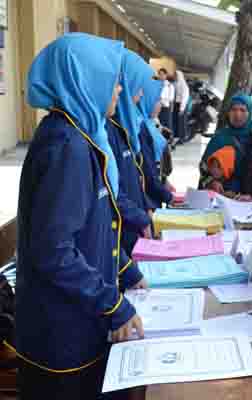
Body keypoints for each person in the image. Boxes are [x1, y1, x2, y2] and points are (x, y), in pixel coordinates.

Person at [15, 33, 145, 400]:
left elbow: (93, 226)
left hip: (75, 321)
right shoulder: (67, 146)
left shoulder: (80, 135)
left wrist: (125, 269)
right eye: (111, 78)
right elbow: (53, 251)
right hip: (61, 340)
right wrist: (113, 304)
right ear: (85, 79)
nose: (119, 89)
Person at [108, 49, 155, 254]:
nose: (142, 93)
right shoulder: (106, 131)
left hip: (133, 226)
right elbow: (114, 190)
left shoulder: (124, 125)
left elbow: (134, 176)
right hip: (124, 232)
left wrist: (145, 207)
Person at [198, 93, 252, 195]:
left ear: (250, 112)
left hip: (251, 194)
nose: (237, 114)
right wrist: (212, 182)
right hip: (224, 193)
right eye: (234, 109)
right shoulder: (220, 137)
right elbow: (204, 166)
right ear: (228, 112)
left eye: (242, 110)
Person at [139, 77, 174, 209]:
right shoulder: (140, 127)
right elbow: (147, 170)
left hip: (157, 190)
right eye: (157, 99)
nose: (160, 104)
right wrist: (168, 196)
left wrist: (164, 181)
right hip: (149, 196)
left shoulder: (152, 123)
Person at [173, 70, 190, 144]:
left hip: (181, 105)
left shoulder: (184, 85)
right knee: (177, 122)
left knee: (181, 122)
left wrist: (181, 108)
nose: (175, 77)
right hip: (177, 104)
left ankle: (182, 138)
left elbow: (184, 97)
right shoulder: (176, 84)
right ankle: (178, 137)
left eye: (176, 75)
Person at [157, 67, 175, 132]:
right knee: (159, 123)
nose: (161, 76)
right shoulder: (156, 84)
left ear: (166, 75)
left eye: (162, 74)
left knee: (167, 124)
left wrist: (162, 98)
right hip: (157, 106)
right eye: (159, 74)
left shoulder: (170, 85)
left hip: (165, 107)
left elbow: (171, 98)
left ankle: (169, 138)